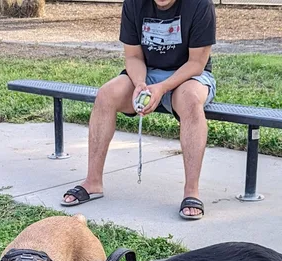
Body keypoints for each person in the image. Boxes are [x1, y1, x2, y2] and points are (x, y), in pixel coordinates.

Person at [62, 0, 217, 220]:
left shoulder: (200, 4)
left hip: (189, 76)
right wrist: (141, 84)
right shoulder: (134, 3)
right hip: (147, 72)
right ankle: (93, 182)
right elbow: (133, 56)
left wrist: (162, 87)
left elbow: (196, 63)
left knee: (191, 101)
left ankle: (191, 191)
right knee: (106, 94)